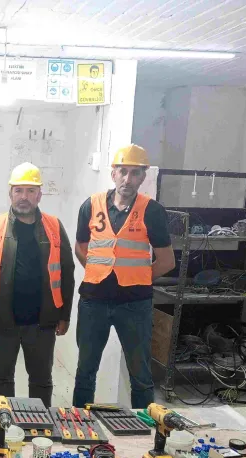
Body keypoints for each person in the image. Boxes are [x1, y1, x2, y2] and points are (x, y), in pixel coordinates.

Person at [73, 144, 176, 409]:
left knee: (140, 375)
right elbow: (80, 247)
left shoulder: (152, 211)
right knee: (85, 371)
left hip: (134, 304)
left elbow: (167, 261)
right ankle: (79, 423)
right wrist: (98, 270)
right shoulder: (91, 205)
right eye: (122, 172)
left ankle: (145, 426)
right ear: (113, 174)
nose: (127, 179)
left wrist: (138, 277)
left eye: (134, 173)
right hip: (93, 301)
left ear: (143, 177)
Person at [0, 163, 75, 408]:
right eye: (18, 190)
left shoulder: (54, 227)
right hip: (0, 321)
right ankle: (5, 423)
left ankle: (39, 424)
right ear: (10, 193)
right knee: (2, 378)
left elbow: (67, 273)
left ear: (39, 195)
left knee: (41, 380)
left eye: (30, 191)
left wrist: (65, 315)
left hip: (42, 322)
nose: (24, 197)